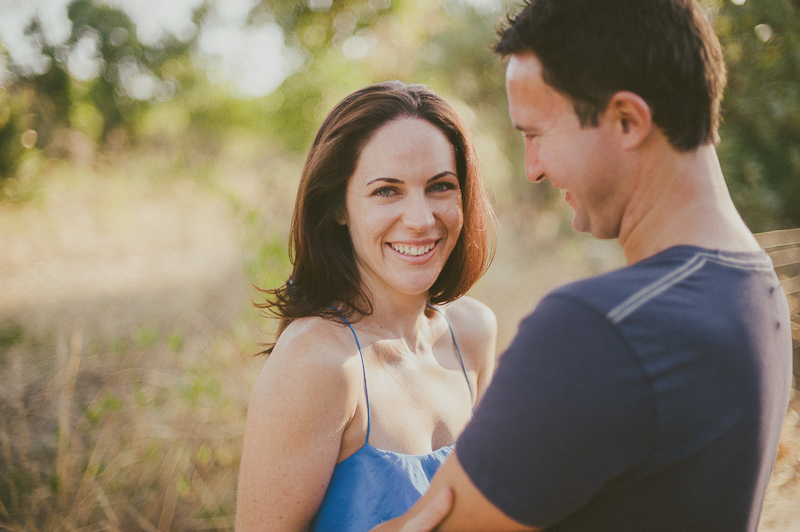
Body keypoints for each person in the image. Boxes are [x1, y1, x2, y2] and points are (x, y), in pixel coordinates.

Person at [373, 1, 794, 531]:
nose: (532, 169)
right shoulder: (755, 289)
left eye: (535, 134)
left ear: (626, 120)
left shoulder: (601, 330)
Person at [235, 81, 498, 532]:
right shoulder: (318, 363)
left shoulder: (474, 331)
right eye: (387, 191)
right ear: (339, 206)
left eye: (440, 186)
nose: (420, 220)